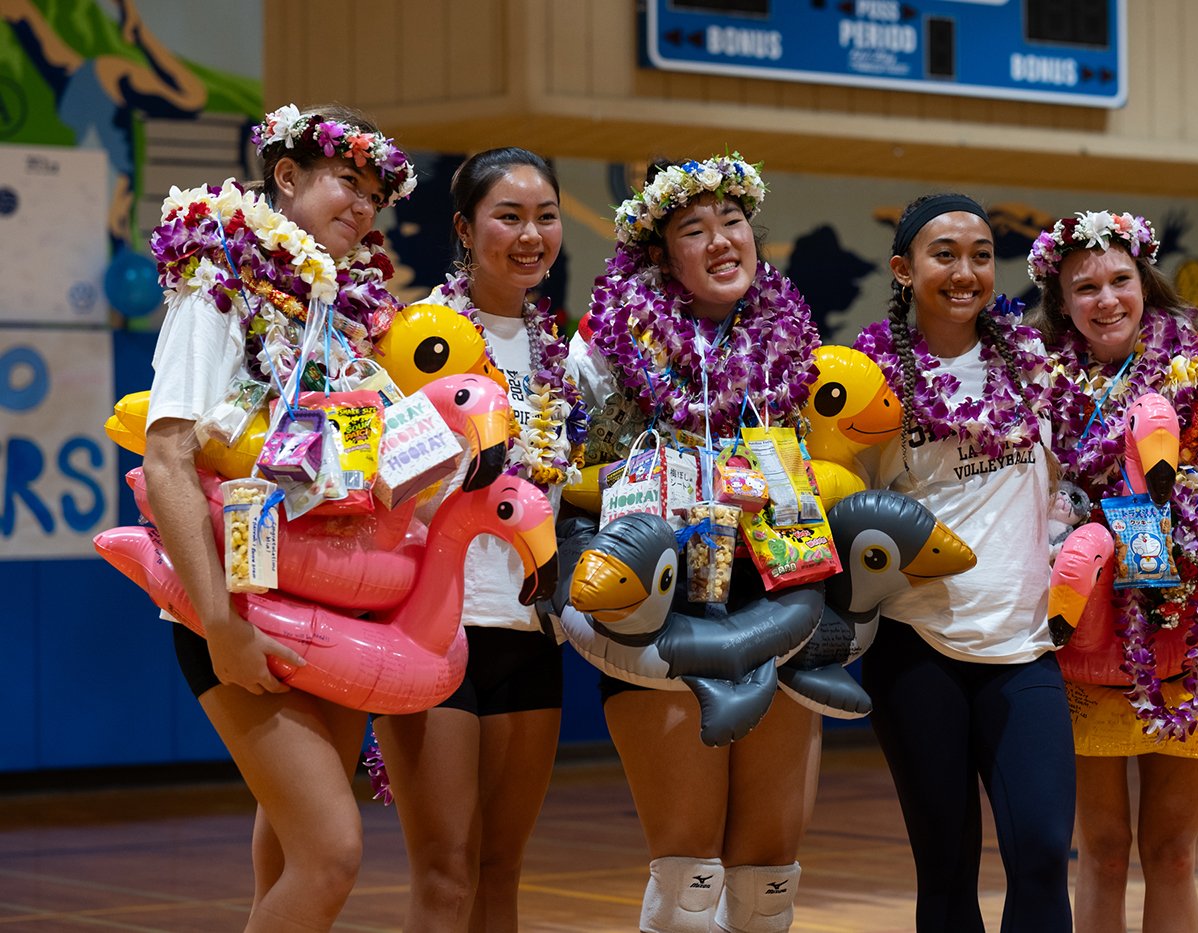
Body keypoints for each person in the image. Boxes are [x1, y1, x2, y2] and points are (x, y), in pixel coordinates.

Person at [142, 103, 415, 930]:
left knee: (297, 851)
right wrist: (222, 625)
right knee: (332, 852)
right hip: (244, 608)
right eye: (346, 182)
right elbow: (167, 462)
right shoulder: (218, 284)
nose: (363, 207)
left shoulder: (352, 315)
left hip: (328, 601)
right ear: (288, 177)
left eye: (375, 194)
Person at [571, 154, 823, 933]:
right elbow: (567, 482)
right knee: (692, 878)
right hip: (666, 611)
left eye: (733, 222)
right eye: (694, 228)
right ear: (659, 255)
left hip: (781, 597)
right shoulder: (606, 344)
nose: (721, 242)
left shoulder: (793, 338)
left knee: (770, 875)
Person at [1026, 211, 1198, 933]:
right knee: (1104, 851)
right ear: (1061, 300)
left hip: (1192, 641)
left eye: (1120, 280)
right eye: (1085, 287)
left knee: (1172, 850)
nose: (1106, 299)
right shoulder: (1041, 386)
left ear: (1144, 282)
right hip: (1084, 644)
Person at [371, 146, 585, 932]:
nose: (531, 234)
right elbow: (380, 481)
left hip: (530, 629)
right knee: (445, 875)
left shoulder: (563, 352)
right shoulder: (414, 336)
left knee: (501, 872)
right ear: (464, 228)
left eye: (546, 216)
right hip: (438, 631)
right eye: (509, 216)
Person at [851, 194, 1076, 932]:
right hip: (918, 648)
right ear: (903, 267)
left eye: (980, 254)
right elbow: (843, 504)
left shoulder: (1033, 360)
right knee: (946, 867)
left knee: (1043, 853)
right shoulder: (867, 376)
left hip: (1025, 646)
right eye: (944, 253)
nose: (965, 271)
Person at [2, 0, 208, 245]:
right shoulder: (111, 212)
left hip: (89, 91)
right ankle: (137, 30)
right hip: (91, 91)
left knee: (40, 36)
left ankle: (137, 30)